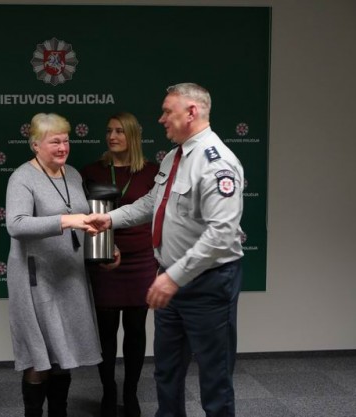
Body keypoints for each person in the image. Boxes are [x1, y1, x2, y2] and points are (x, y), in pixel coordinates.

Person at [86, 83, 244, 417]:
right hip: (170, 282)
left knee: (214, 381)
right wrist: (109, 219)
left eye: (167, 111)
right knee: (167, 373)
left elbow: (222, 234)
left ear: (191, 112)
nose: (161, 119)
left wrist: (173, 278)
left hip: (206, 284)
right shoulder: (174, 157)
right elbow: (150, 203)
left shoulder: (216, 163)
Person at [6, 113, 105, 417]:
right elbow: (16, 224)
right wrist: (66, 221)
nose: (63, 147)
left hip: (70, 276)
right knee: (41, 357)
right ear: (35, 145)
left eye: (66, 140)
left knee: (65, 352)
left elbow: (83, 220)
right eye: (55, 142)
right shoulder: (22, 177)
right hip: (37, 279)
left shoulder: (72, 174)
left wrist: (105, 248)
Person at [80, 112, 159, 417]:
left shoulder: (152, 172)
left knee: (136, 329)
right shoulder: (92, 171)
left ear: (133, 136)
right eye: (109, 131)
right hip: (104, 258)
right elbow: (84, 218)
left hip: (141, 259)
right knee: (106, 331)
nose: (112, 137)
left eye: (119, 131)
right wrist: (104, 249)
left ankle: (130, 393)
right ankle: (109, 391)